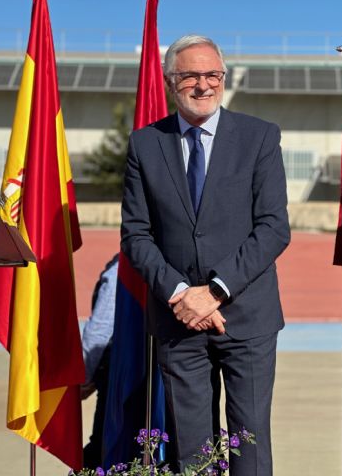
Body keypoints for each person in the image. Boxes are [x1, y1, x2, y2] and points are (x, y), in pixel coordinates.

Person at [120, 34, 290, 474]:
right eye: (190, 75)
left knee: (248, 444)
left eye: (212, 74)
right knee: (191, 451)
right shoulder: (144, 144)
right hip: (179, 322)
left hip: (247, 320)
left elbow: (273, 229)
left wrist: (213, 292)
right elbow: (136, 235)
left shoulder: (260, 137)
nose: (203, 85)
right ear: (169, 81)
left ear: (223, 78)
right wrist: (181, 294)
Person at [81, 254, 118, 469]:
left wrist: (84, 377)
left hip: (117, 373)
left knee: (101, 447)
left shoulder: (120, 269)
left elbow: (99, 330)